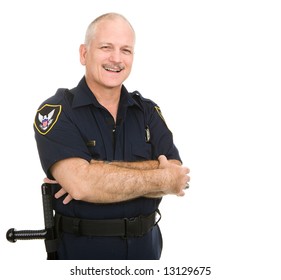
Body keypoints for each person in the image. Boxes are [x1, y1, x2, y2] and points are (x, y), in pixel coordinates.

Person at [33, 12, 190, 260]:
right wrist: (160, 177)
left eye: (125, 50)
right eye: (106, 47)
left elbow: (177, 174)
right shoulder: (57, 111)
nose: (116, 59)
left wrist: (94, 171)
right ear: (84, 54)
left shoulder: (147, 111)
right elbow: (81, 185)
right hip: (82, 255)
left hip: (146, 252)